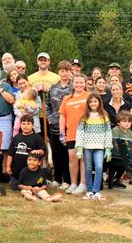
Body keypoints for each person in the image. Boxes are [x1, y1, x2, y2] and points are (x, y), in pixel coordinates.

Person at [76, 93, 112, 200]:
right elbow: (80, 133)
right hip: (87, 146)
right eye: (91, 102)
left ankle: (96, 191)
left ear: (99, 102)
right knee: (87, 168)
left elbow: (108, 132)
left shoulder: (104, 116)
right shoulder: (84, 117)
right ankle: (89, 191)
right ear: (88, 103)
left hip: (100, 147)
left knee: (99, 167)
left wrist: (108, 148)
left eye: (95, 101)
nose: (93, 103)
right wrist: (79, 148)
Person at [59, 74, 89, 195]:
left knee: (83, 159)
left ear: (85, 83)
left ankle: (83, 184)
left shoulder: (89, 96)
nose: (79, 85)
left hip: (86, 133)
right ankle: (73, 183)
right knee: (72, 158)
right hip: (71, 133)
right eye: (76, 82)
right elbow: (62, 116)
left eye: (81, 82)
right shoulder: (67, 98)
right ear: (73, 84)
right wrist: (62, 132)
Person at [46, 61, 73, 190]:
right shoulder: (53, 88)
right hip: (55, 126)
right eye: (62, 71)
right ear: (58, 72)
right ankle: (56, 179)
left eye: (67, 71)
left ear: (70, 72)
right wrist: (50, 118)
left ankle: (66, 180)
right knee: (56, 154)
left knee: (67, 155)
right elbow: (47, 105)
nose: (64, 73)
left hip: (69, 126)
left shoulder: (73, 88)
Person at [5, 114, 45, 190]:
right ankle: (22, 185)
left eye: (28, 124)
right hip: (16, 172)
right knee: (14, 187)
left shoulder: (37, 137)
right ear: (20, 125)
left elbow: (43, 151)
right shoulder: (16, 137)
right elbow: (10, 153)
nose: (25, 126)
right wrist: (8, 166)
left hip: (31, 172)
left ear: (33, 125)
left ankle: (34, 184)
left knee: (35, 186)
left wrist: (39, 151)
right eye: (23, 124)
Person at [28, 51, 60, 133]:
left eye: (45, 60)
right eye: (41, 60)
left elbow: (60, 95)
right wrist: (35, 90)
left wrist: (50, 90)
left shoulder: (56, 77)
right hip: (36, 114)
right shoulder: (30, 78)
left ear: (49, 62)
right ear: (37, 62)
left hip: (52, 114)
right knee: (38, 139)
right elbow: (26, 96)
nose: (43, 62)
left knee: (53, 140)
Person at [108, 110, 132, 189]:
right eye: (124, 121)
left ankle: (116, 179)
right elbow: (115, 145)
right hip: (115, 154)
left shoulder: (130, 132)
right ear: (118, 122)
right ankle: (114, 179)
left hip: (125, 155)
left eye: (129, 121)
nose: (127, 123)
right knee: (124, 162)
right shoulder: (115, 130)